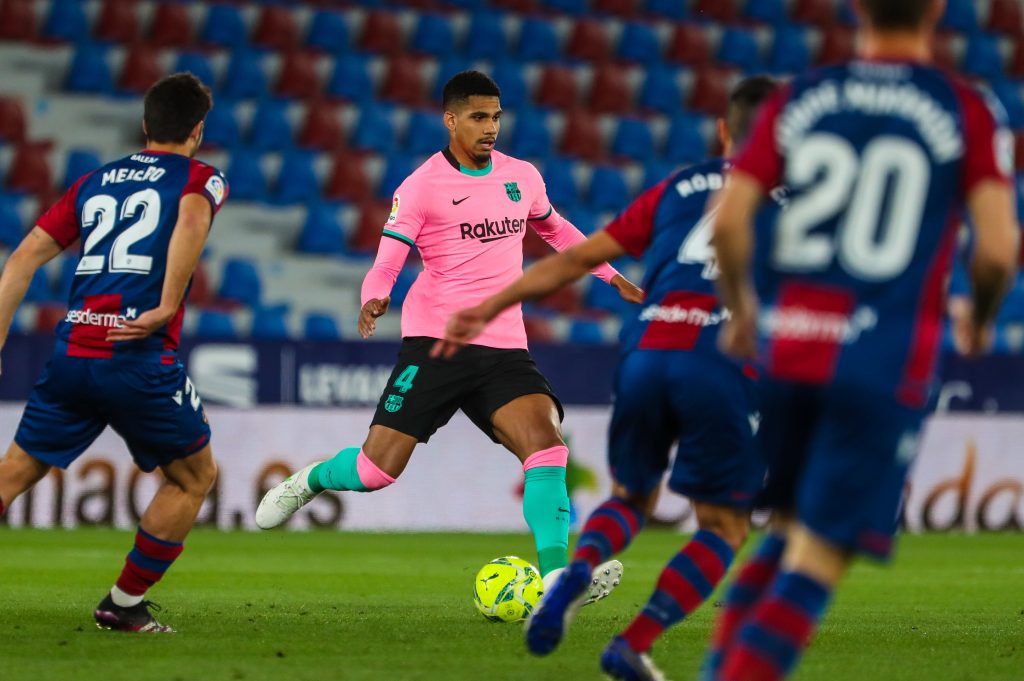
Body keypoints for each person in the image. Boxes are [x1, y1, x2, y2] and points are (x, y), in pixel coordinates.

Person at [705, 1, 1019, 679]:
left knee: (788, 527)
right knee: (820, 555)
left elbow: (728, 220)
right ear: (936, 9)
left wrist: (743, 309)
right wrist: (983, 316)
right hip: (882, 358)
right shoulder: (965, 107)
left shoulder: (802, 96)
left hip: (789, 347)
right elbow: (997, 248)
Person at [434, 76, 785, 680]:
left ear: (723, 131)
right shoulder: (799, 202)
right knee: (724, 526)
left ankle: (575, 571)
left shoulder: (678, 187)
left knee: (629, 499)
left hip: (646, 351)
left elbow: (577, 257)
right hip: (717, 359)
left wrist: (490, 305)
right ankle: (633, 642)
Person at [256, 71, 643, 599]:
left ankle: (556, 579)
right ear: (451, 120)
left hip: (504, 345)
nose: (491, 128)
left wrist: (611, 275)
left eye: (496, 117)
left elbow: (555, 229)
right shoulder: (421, 187)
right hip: (436, 344)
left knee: (547, 449)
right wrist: (374, 296)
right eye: (479, 117)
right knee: (374, 472)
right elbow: (387, 260)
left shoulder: (522, 176)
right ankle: (311, 479)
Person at [0, 73, 227, 633]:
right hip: (137, 356)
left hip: (73, 352)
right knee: (193, 477)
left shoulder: (93, 181)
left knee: (14, 473)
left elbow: (22, 259)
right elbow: (192, 216)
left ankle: (124, 606)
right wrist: (166, 304)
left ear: (146, 124)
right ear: (198, 131)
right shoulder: (202, 178)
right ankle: (123, 604)